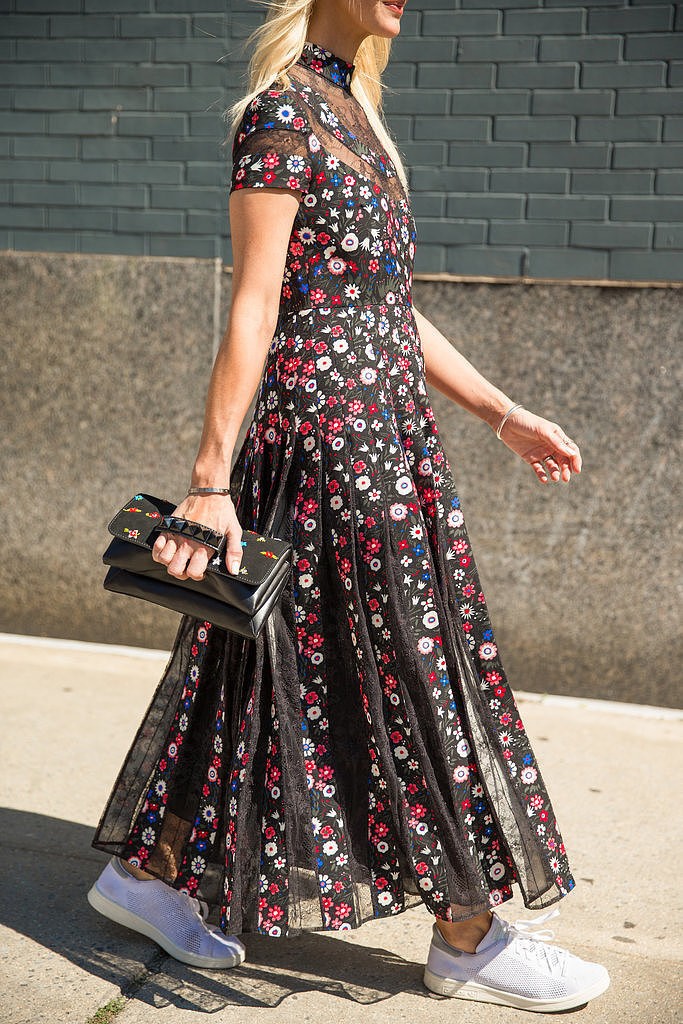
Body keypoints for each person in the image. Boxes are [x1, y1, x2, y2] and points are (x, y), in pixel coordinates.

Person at [87, 0, 610, 1013]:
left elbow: (385, 304)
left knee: (260, 661)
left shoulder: (353, 115)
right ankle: (465, 933)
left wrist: (501, 413)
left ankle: (147, 872)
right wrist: (209, 480)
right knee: (412, 668)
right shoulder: (280, 114)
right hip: (328, 444)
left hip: (384, 438)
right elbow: (255, 302)